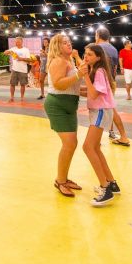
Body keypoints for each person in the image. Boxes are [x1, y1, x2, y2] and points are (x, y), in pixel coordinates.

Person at [43, 33, 84, 198]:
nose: (69, 44)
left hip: (69, 105)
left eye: (69, 41)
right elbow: (59, 84)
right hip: (57, 105)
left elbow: (72, 86)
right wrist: (78, 75)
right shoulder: (58, 61)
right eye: (64, 42)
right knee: (69, 144)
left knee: (72, 144)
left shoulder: (69, 61)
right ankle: (60, 181)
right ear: (57, 46)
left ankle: (64, 178)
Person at [80, 43, 120, 206]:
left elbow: (94, 92)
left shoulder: (99, 71)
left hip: (101, 111)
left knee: (88, 147)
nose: (86, 57)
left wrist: (83, 77)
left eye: (89, 54)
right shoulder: (97, 71)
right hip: (99, 110)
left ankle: (106, 189)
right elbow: (90, 91)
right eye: (85, 53)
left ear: (98, 57)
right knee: (95, 148)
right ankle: (111, 182)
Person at [95, 28, 130, 147]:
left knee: (98, 110)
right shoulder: (114, 49)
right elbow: (115, 69)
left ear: (98, 35)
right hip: (111, 81)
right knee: (109, 108)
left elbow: (93, 67)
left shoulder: (98, 48)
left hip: (100, 82)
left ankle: (96, 138)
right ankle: (116, 134)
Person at [4, 36, 31, 102]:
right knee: (12, 84)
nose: (16, 43)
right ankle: (12, 97)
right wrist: (7, 52)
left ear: (22, 42)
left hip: (23, 70)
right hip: (14, 69)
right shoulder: (13, 49)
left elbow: (29, 60)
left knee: (23, 84)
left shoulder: (26, 50)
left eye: (18, 42)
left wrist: (20, 58)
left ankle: (22, 98)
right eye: (16, 42)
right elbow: (5, 53)